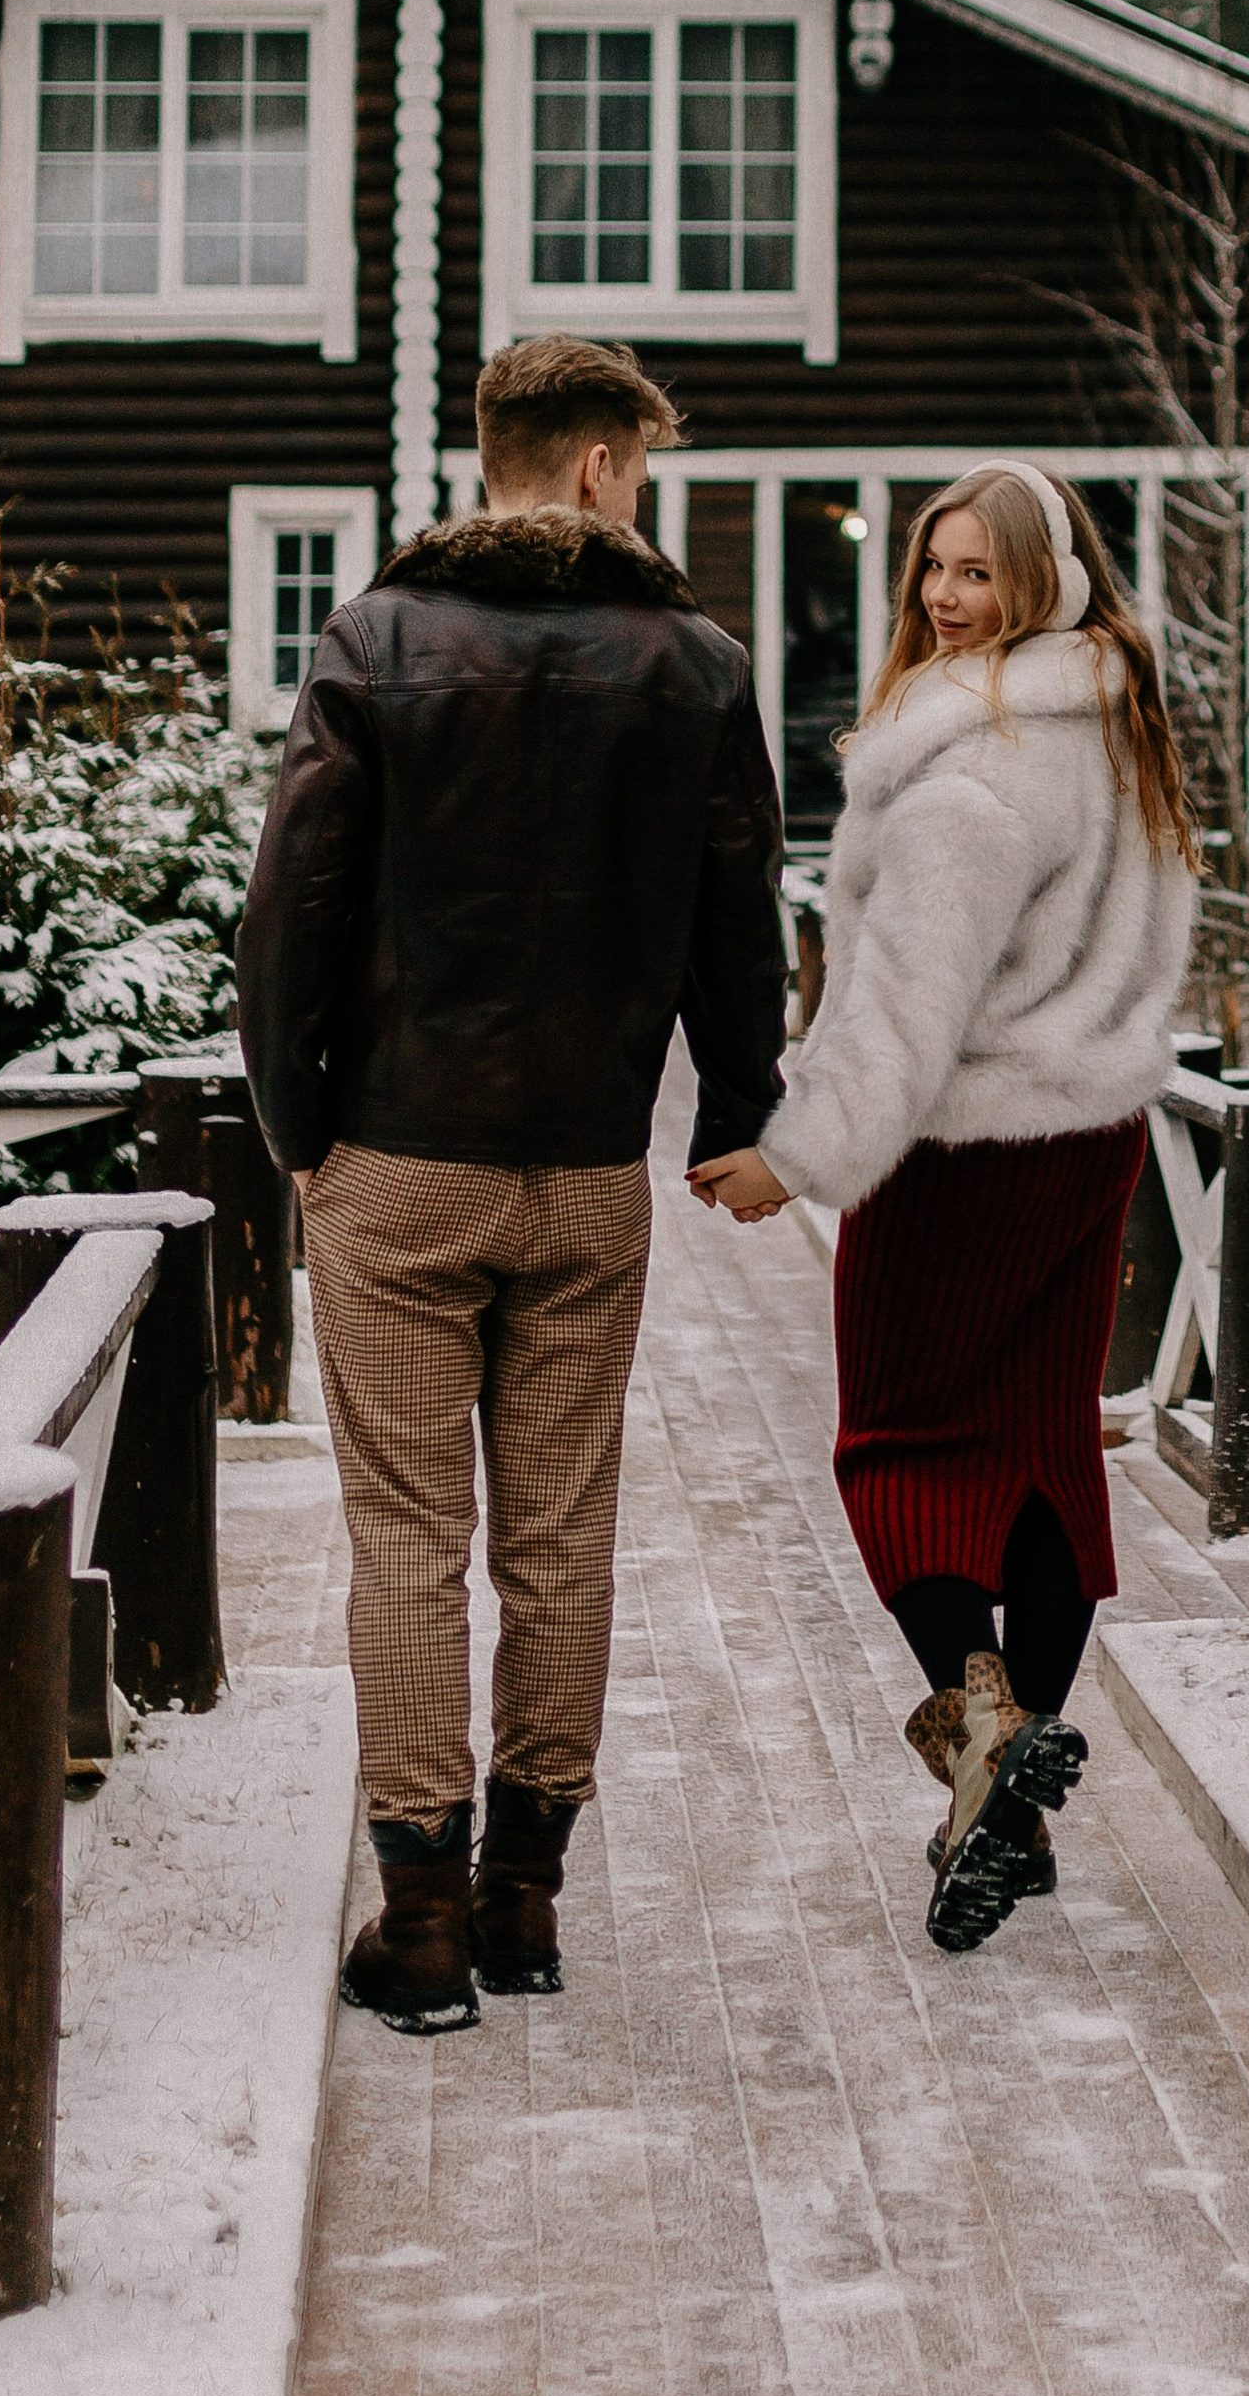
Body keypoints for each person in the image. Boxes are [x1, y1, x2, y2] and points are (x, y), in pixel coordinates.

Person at [238, 334, 784, 2036]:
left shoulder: (379, 640)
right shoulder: (697, 664)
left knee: (408, 1543)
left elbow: (292, 908)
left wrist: (297, 1124)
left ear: (497, 457)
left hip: (397, 1164)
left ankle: (421, 1927)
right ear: (609, 467)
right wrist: (735, 1112)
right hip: (587, 1173)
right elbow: (740, 923)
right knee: (560, 1541)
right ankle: (528, 1902)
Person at [691, 462, 1197, 1953]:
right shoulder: (1113, 725)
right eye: (934, 568)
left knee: (896, 1442)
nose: (942, 596)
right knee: (1039, 1451)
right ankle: (1010, 1810)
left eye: (977, 572)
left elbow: (907, 1004)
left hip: (964, 1145)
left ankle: (989, 1738)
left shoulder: (973, 767)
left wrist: (791, 1154)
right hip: (1088, 1136)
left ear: (1038, 583)